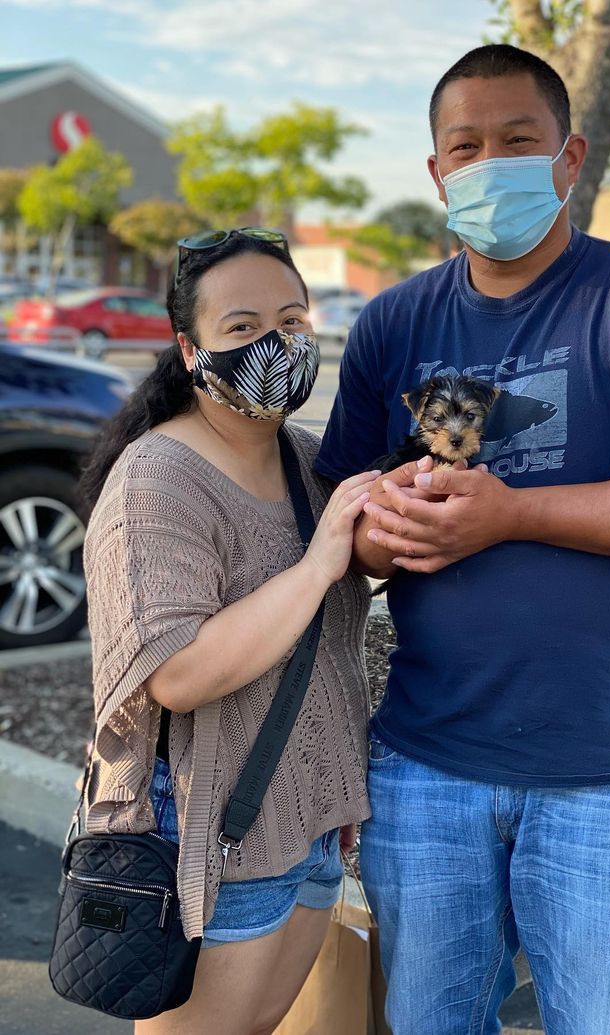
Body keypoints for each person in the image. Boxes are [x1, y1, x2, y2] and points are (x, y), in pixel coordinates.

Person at [316, 44, 610, 1035]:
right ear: (437, 174)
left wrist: (513, 512)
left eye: (517, 141)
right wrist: (385, 534)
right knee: (430, 1022)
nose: (490, 164)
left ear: (569, 157)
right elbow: (347, 526)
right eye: (465, 147)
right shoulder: (396, 323)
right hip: (430, 765)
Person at [78, 229, 379, 1035]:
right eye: (243, 327)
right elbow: (176, 671)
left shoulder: (310, 463)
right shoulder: (158, 479)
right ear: (189, 348)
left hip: (310, 824)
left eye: (293, 318)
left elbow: (326, 658)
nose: (276, 344)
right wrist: (318, 563)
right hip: (213, 843)